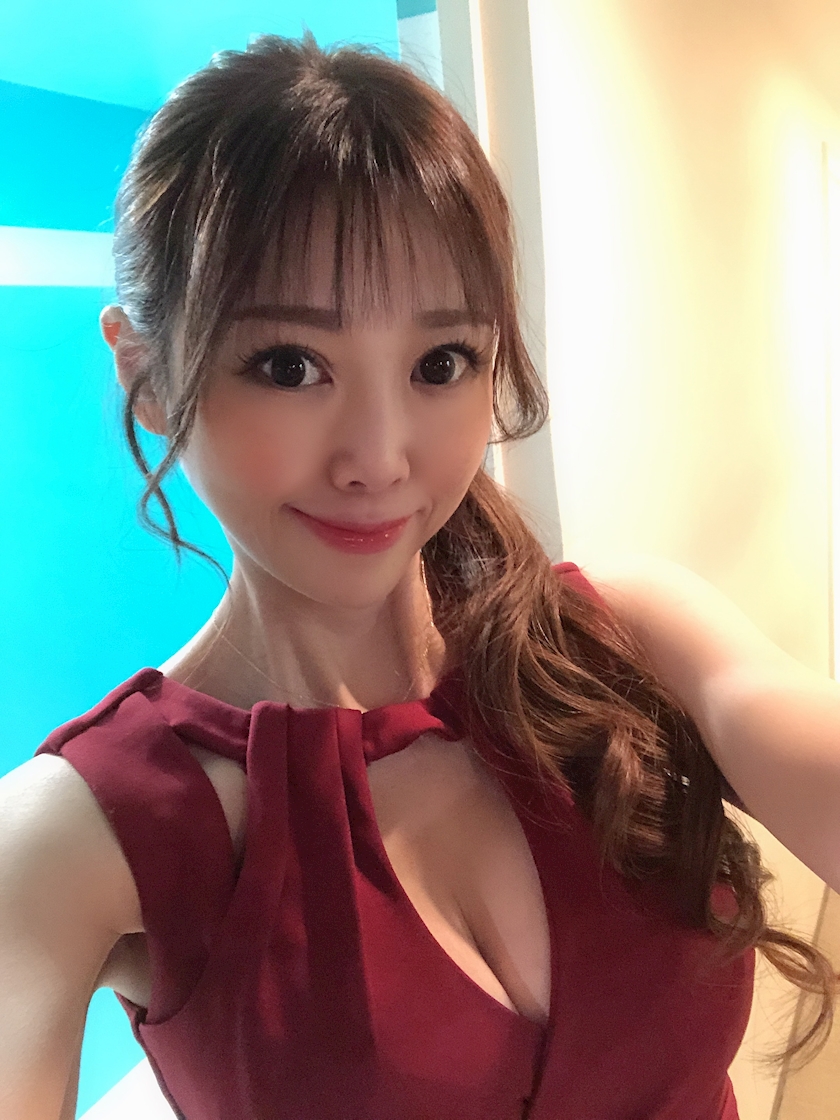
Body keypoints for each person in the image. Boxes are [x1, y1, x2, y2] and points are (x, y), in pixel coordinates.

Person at [1, 32, 838, 1120]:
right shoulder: (80, 833)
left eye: (440, 364)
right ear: (146, 375)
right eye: (290, 366)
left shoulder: (629, 639)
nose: (381, 458)